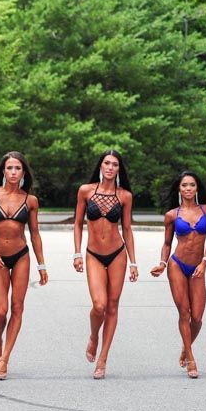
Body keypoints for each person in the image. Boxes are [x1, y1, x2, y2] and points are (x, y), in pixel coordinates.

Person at [0, 152, 47, 380]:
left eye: (18, 168)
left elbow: (34, 233)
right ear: (3, 171)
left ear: (23, 172)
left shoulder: (30, 200)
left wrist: (42, 265)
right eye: (9, 168)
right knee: (1, 311)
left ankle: (4, 359)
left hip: (21, 256)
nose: (13, 172)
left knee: (17, 308)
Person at [72, 150, 138, 379]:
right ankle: (94, 336)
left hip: (118, 254)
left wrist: (133, 262)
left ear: (119, 169)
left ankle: (103, 359)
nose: (110, 167)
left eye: (115, 164)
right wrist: (77, 253)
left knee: (112, 306)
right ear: (100, 166)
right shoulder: (86, 191)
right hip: (93, 255)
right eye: (107, 163)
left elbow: (127, 229)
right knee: (99, 305)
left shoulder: (125, 196)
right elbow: (78, 223)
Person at [150, 171, 206, 378]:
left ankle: (185, 347)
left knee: (197, 317)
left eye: (192, 185)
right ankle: (190, 358)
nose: (188, 189)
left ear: (197, 188)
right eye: (184, 185)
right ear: (179, 189)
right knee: (184, 313)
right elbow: (167, 243)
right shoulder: (172, 215)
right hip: (177, 265)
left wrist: (204, 263)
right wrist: (162, 263)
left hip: (198, 267)